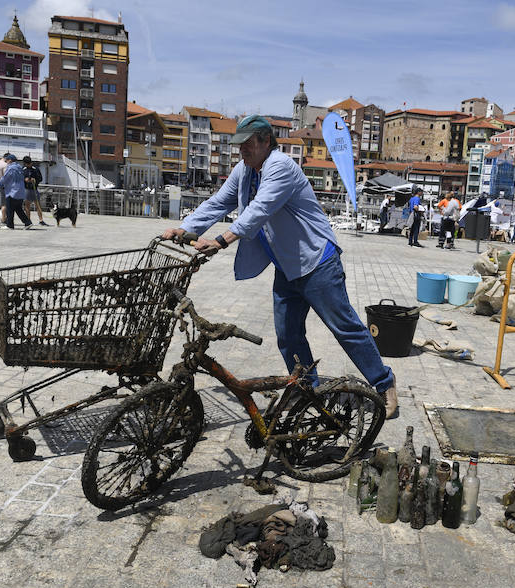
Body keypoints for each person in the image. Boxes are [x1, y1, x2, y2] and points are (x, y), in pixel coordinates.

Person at [160, 115, 398, 418]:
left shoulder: (280, 166)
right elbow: (220, 202)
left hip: (317, 261)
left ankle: (384, 383)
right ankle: (307, 390)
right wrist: (185, 227)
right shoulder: (244, 171)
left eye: (247, 145)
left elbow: (260, 210)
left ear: (265, 142)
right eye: (239, 146)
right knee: (288, 335)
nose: (242, 151)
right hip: (287, 267)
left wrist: (221, 240)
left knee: (345, 328)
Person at [0, 154, 33, 230]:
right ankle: (27, 223)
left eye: (7, 160)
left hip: (12, 191)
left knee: (10, 209)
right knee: (18, 209)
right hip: (20, 191)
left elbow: (6, 178)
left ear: (10, 160)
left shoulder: (11, 168)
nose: (6, 162)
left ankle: (10, 225)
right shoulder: (20, 168)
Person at [22, 156, 48, 226]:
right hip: (26, 189)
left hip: (34, 189)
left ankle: (41, 220)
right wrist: (25, 180)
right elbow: (20, 178)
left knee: (38, 205)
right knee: (27, 206)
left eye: (30, 163)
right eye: (27, 164)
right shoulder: (23, 169)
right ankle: (28, 220)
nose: (29, 165)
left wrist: (34, 180)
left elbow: (40, 178)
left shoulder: (36, 169)